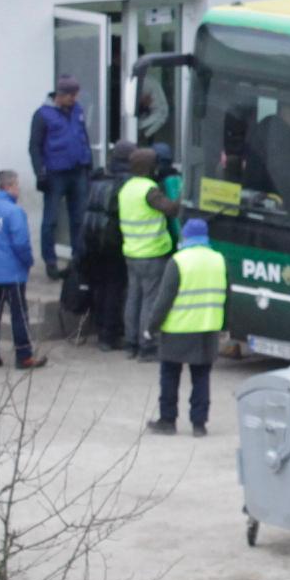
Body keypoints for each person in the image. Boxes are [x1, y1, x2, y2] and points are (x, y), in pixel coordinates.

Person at [148, 219, 227, 437]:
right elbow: (227, 296)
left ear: (186, 236)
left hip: (178, 329)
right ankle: (199, 424)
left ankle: (168, 420)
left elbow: (164, 300)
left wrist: (151, 326)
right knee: (201, 378)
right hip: (207, 329)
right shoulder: (218, 260)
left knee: (170, 375)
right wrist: (225, 325)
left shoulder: (179, 261)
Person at [0, 170, 48, 371]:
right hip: (12, 274)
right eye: (16, 185)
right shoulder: (14, 212)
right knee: (19, 315)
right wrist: (29, 262)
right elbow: (21, 243)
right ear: (8, 187)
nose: (19, 189)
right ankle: (24, 356)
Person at [28, 75, 95, 280]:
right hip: (55, 174)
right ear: (61, 95)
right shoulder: (42, 115)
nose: (74, 99)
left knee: (79, 218)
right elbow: (35, 147)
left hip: (77, 170)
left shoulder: (78, 111)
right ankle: (50, 261)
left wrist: (88, 164)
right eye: (71, 96)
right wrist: (40, 171)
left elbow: (84, 138)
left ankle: (77, 259)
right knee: (51, 220)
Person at [118, 145, 182, 359]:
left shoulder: (126, 188)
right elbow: (172, 209)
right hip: (152, 253)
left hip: (131, 253)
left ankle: (131, 343)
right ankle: (148, 345)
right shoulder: (149, 189)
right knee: (150, 300)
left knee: (133, 299)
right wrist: (184, 192)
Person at [74, 140, 133, 350]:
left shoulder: (97, 177)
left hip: (92, 241)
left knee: (100, 287)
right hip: (113, 242)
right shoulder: (126, 182)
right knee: (114, 289)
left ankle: (100, 331)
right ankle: (109, 336)